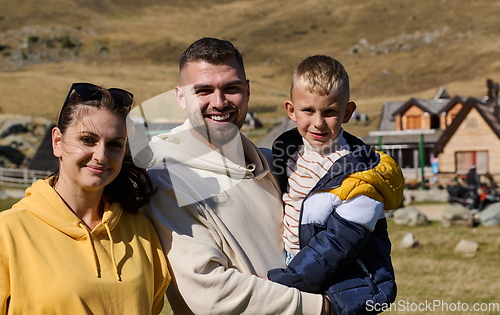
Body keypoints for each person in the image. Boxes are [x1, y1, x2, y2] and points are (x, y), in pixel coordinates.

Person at [140, 38, 331, 314]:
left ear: (248, 91)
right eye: (203, 91)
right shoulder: (167, 179)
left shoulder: (273, 162)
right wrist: (321, 307)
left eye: (231, 88)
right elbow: (213, 295)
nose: (219, 102)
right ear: (181, 97)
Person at [0, 83, 170, 314]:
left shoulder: (143, 231)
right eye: (88, 140)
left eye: (114, 145)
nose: (101, 156)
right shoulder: (8, 232)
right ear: (57, 142)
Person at [267, 55, 404, 315]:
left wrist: (288, 280)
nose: (318, 122)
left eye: (330, 112)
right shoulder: (288, 152)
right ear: (291, 110)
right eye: (308, 110)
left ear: (348, 112)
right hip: (297, 267)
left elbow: (338, 244)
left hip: (341, 281)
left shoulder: (361, 175)